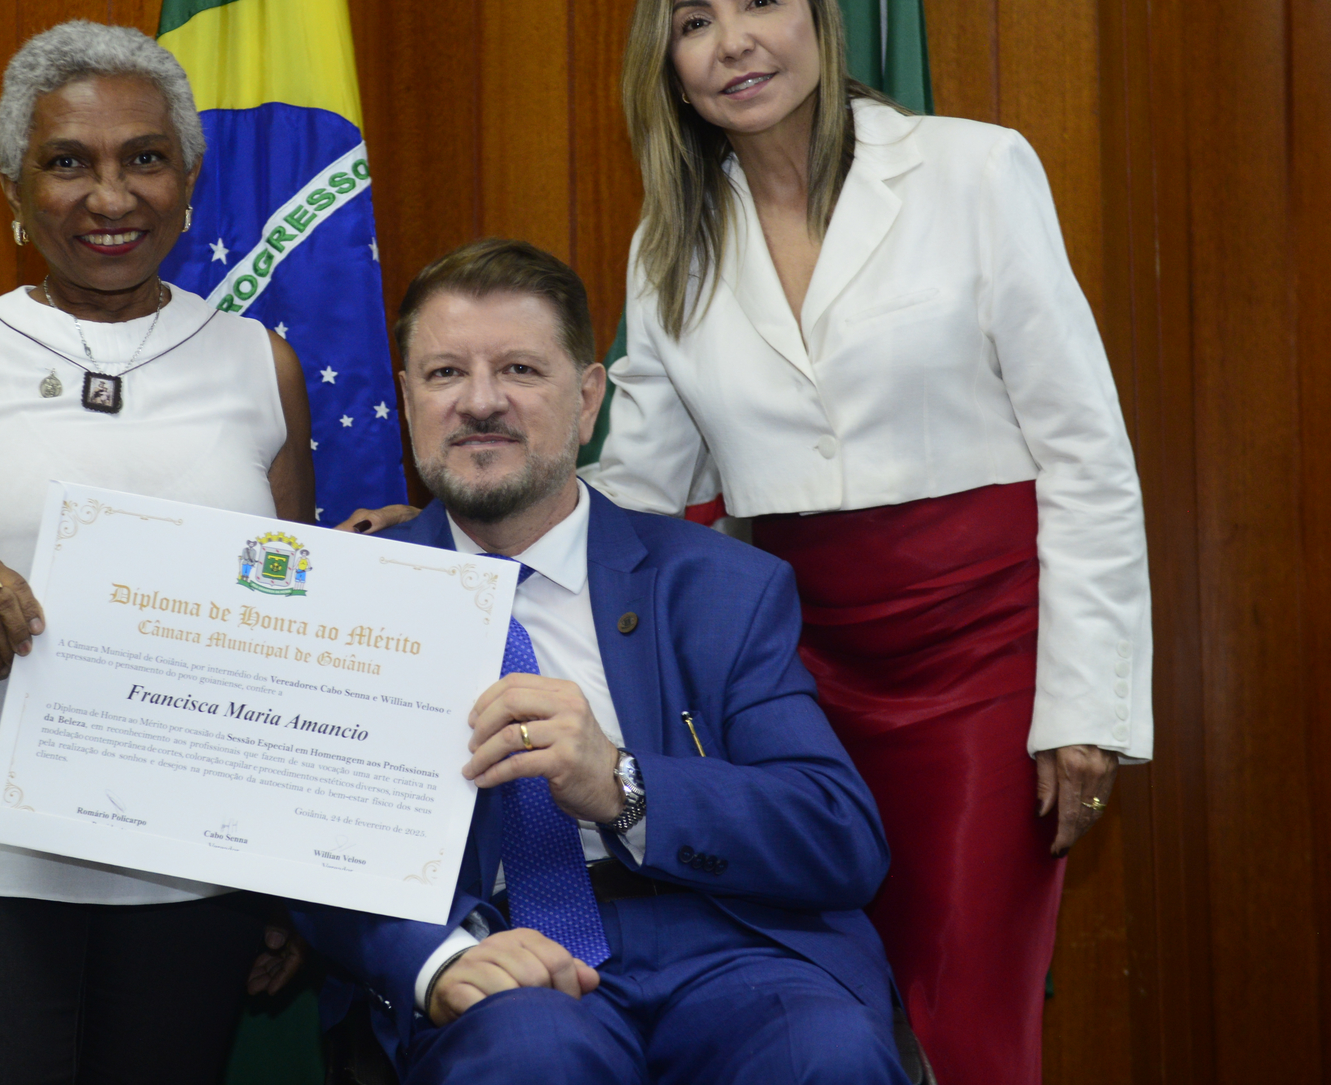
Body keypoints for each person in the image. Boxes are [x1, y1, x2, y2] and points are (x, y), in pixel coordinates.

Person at [582, 0, 1152, 1084]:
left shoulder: (974, 169)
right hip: (794, 682)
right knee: (830, 990)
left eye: (760, 1)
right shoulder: (669, 241)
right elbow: (639, 484)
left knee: (963, 1003)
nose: (735, 41)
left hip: (989, 657)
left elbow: (1087, 451)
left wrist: (1085, 705)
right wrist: (452, 533)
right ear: (669, 66)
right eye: (695, 22)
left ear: (817, 15)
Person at [0, 20, 312, 1085]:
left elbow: (285, 633)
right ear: (15, 188)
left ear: (188, 182)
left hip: (192, 863)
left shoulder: (260, 366)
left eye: (145, 158)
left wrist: (287, 871)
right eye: (68, 162)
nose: (109, 196)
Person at [297, 239, 913, 1085]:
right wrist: (437, 960)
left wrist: (623, 785)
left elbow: (838, 836)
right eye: (445, 374)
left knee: (825, 1057)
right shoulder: (350, 594)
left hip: (728, 941)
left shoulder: (723, 585)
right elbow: (305, 845)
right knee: (530, 1062)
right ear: (407, 401)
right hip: (506, 955)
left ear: (588, 399)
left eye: (519, 369)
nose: (481, 401)